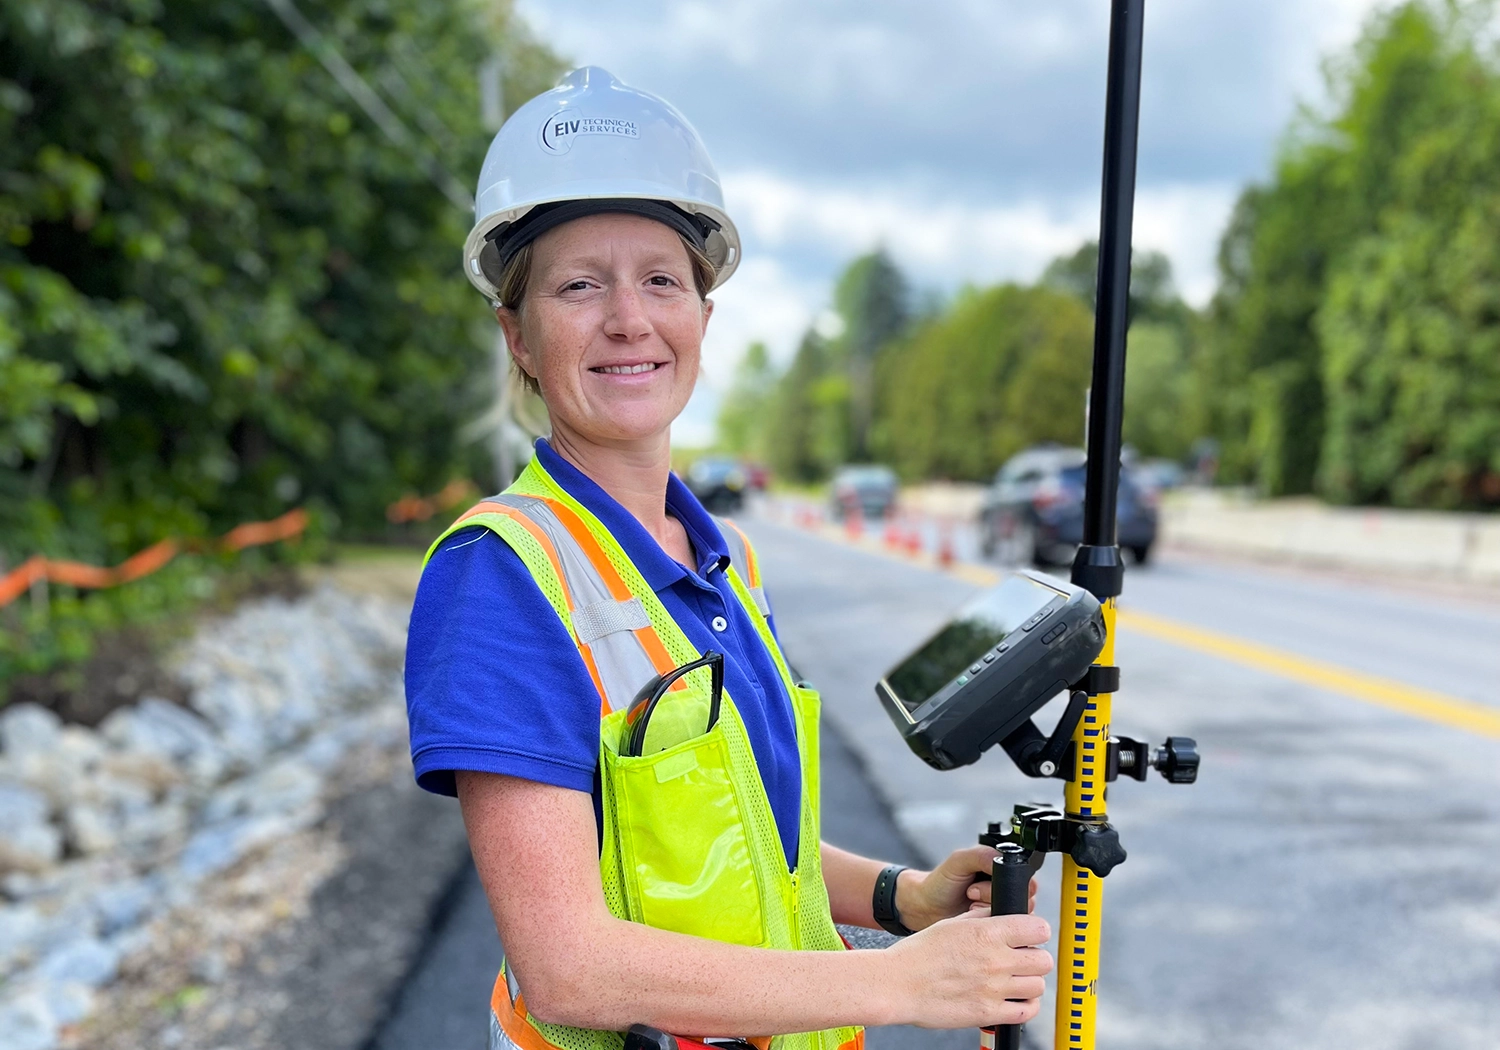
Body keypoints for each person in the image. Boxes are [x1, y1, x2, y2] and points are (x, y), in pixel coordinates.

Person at [404, 67, 1052, 1050]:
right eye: (579, 286)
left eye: (661, 280)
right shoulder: (502, 574)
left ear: (703, 318)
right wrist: (901, 986)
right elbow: (569, 967)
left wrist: (901, 898)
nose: (628, 319)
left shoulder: (727, 557)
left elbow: (741, 842)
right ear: (519, 335)